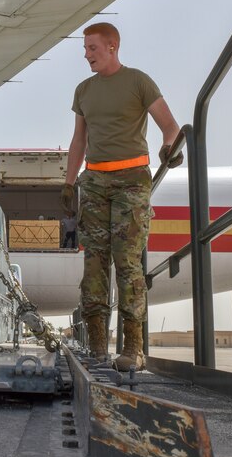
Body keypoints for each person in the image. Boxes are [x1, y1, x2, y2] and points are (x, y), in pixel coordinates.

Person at [61, 22, 181, 371]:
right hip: (95, 181)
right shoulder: (83, 90)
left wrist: (169, 148)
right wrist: (69, 184)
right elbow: (78, 142)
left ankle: (133, 349)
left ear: (112, 46)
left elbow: (170, 127)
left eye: (92, 48)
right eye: (85, 49)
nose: (87, 55)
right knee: (94, 264)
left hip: (132, 180)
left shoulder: (139, 82)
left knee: (127, 264)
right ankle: (98, 346)